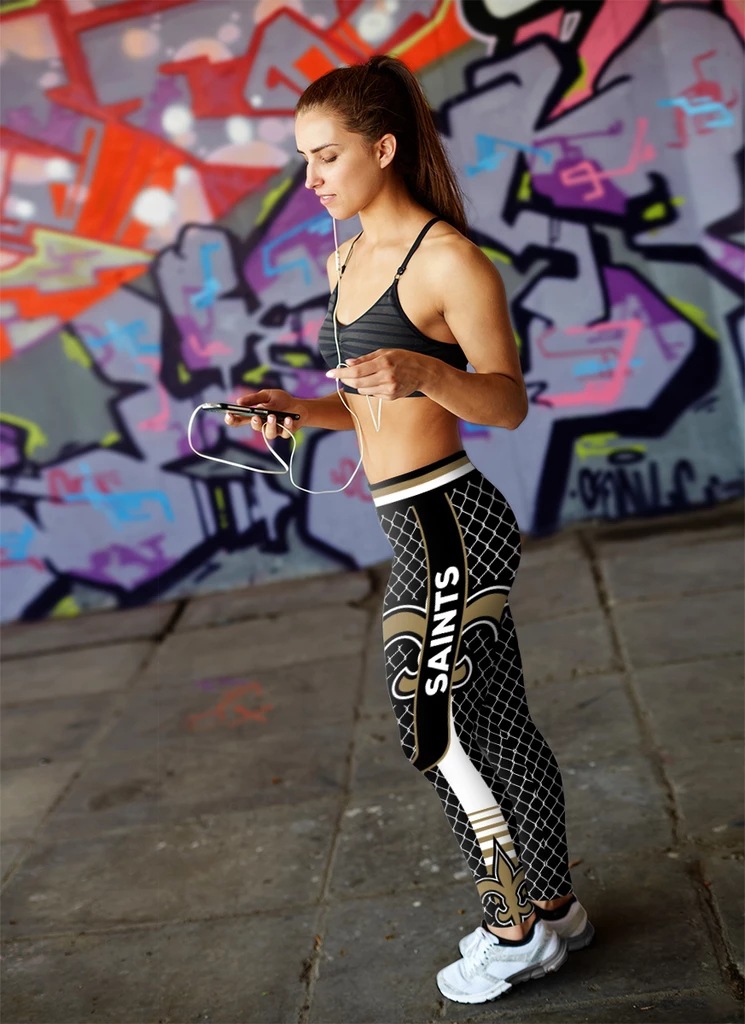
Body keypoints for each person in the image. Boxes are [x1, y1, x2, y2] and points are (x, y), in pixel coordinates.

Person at [226, 54, 593, 1005]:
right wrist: (296, 410)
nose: (311, 178)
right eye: (303, 160)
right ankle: (554, 909)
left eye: (327, 156)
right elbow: (365, 407)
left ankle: (510, 931)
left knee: (432, 731)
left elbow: (505, 402)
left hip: (453, 520)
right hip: (408, 523)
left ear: (382, 149)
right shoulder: (343, 257)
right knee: (496, 721)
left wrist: (428, 372)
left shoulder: (448, 261)